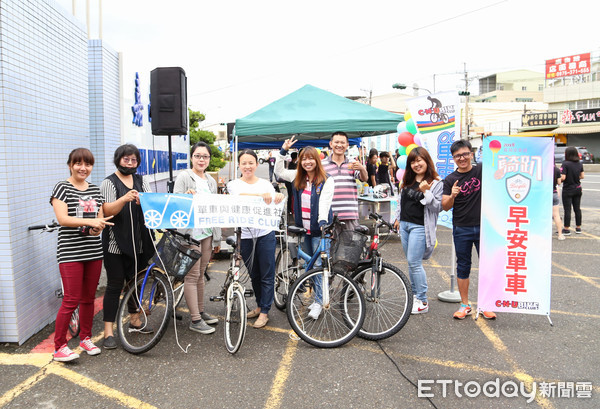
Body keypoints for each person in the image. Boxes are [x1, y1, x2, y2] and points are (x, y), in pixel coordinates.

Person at [50, 148, 114, 361]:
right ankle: (59, 346)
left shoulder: (95, 191)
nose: (83, 168)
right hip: (70, 252)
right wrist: (90, 222)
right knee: (71, 299)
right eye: (78, 163)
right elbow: (63, 219)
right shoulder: (62, 187)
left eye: (87, 164)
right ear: (70, 164)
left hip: (93, 251)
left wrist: (97, 228)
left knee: (89, 298)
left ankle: (86, 337)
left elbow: (97, 220)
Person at [100, 144, 155, 350]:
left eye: (133, 160)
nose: (130, 163)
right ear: (118, 160)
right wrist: (124, 199)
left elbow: (152, 204)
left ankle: (135, 321)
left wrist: (145, 201)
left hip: (139, 243)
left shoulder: (142, 180)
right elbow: (106, 210)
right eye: (126, 159)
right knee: (114, 287)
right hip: (116, 245)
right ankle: (108, 333)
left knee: (136, 283)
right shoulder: (109, 182)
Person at [275, 136, 335, 319]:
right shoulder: (296, 176)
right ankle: (318, 297)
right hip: (303, 230)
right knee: (310, 266)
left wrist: (323, 224)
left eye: (311, 158)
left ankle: (319, 302)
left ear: (317, 160)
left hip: (319, 230)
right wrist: (283, 151)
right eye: (304, 159)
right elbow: (278, 171)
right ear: (300, 161)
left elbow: (324, 204)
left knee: (318, 266)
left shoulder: (327, 180)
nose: (307, 162)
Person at [227, 149, 285, 328]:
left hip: (265, 234)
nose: (247, 166)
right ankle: (260, 306)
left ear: (257, 164)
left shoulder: (266, 184)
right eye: (243, 163)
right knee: (254, 274)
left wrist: (278, 196)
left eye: (251, 163)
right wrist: (261, 196)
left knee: (267, 275)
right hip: (244, 236)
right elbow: (239, 198)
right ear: (238, 165)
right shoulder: (233, 184)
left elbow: (275, 198)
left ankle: (265, 312)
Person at [442, 139, 496, 320]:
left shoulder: (481, 170)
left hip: (484, 227)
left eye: (465, 154)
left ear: (471, 154)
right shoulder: (450, 180)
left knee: (487, 266)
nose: (462, 158)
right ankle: (465, 305)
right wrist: (452, 196)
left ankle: (486, 303)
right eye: (458, 156)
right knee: (463, 266)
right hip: (461, 228)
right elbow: (445, 206)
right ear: (453, 158)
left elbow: (499, 167)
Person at [173, 142, 221, 334]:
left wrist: (216, 238)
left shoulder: (210, 180)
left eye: (205, 157)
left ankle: (200, 312)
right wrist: (186, 195)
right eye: (198, 156)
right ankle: (195, 320)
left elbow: (215, 209)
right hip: (190, 234)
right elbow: (176, 200)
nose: (201, 159)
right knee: (192, 276)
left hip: (206, 233)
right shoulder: (185, 176)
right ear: (191, 157)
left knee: (201, 275)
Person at [393, 147, 442, 314]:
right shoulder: (407, 180)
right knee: (411, 263)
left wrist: (426, 191)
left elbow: (437, 207)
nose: (416, 164)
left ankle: (422, 300)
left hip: (420, 227)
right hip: (405, 225)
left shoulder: (436, 182)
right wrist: (398, 218)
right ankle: (414, 295)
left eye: (419, 160)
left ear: (427, 161)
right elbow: (401, 201)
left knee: (415, 263)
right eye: (413, 161)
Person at [322, 131, 368, 232]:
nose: (339, 145)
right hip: (330, 214)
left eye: (342, 143)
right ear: (331, 144)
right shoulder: (322, 165)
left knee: (350, 246)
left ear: (347, 145)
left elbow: (364, 178)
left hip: (350, 214)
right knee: (331, 246)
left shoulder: (353, 163)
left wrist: (362, 169)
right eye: (336, 142)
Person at [560, 146, 584, 235]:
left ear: (567, 154)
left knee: (567, 209)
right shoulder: (579, 163)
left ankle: (566, 229)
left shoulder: (565, 164)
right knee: (577, 209)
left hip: (568, 189)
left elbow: (563, 177)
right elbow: (582, 176)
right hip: (578, 189)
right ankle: (578, 228)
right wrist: (574, 176)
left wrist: (559, 179)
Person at [553, 165, 565, 241]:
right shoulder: (556, 169)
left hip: (543, 195)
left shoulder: (541, 167)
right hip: (553, 193)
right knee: (556, 215)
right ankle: (560, 235)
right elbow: (559, 182)